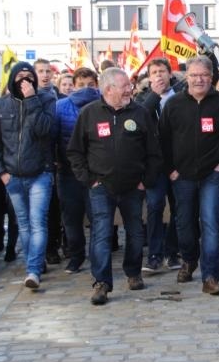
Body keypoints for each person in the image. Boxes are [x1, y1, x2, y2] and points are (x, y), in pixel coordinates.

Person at [67, 68, 162, 305]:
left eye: (129, 85)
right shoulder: (89, 114)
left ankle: (133, 272)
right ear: (109, 89)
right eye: (124, 86)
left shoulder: (140, 113)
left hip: (133, 186)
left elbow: (154, 152)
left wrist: (145, 181)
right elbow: (75, 151)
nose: (130, 89)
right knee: (101, 232)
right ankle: (102, 283)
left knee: (135, 231)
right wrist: (89, 179)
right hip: (100, 185)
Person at [159, 56, 219, 295]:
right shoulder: (173, 105)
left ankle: (210, 277)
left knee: (211, 223)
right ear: (186, 77)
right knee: (184, 223)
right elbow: (162, 139)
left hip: (211, 175)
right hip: (181, 175)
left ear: (211, 76)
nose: (199, 79)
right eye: (194, 75)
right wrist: (170, 169)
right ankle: (190, 259)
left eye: (204, 74)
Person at [0, 61, 57, 289]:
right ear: (12, 79)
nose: (25, 81)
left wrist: (31, 101)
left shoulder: (46, 100)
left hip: (40, 173)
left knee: (38, 223)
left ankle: (33, 270)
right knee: (24, 224)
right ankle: (33, 262)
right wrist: (1, 172)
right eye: (21, 77)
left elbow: (45, 130)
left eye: (30, 77)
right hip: (12, 175)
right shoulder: (0, 106)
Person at [136, 58, 183, 272]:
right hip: (155, 166)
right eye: (154, 72)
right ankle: (154, 254)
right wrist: (154, 95)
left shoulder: (181, 97)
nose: (159, 75)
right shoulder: (143, 99)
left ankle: (172, 252)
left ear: (170, 73)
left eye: (162, 71)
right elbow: (141, 119)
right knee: (155, 207)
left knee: (179, 209)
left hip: (179, 163)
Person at [53, 67, 100, 274]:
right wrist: (55, 160)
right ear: (73, 85)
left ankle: (98, 258)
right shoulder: (60, 106)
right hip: (68, 172)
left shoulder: (103, 105)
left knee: (98, 219)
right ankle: (76, 256)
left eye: (90, 85)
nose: (86, 89)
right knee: (71, 219)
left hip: (96, 173)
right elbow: (53, 137)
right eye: (81, 85)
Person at [34, 58, 63, 266]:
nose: (45, 75)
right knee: (39, 211)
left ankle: (53, 246)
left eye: (47, 71)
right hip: (39, 161)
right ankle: (41, 252)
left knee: (55, 208)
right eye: (41, 71)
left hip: (58, 161)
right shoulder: (30, 98)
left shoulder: (60, 98)